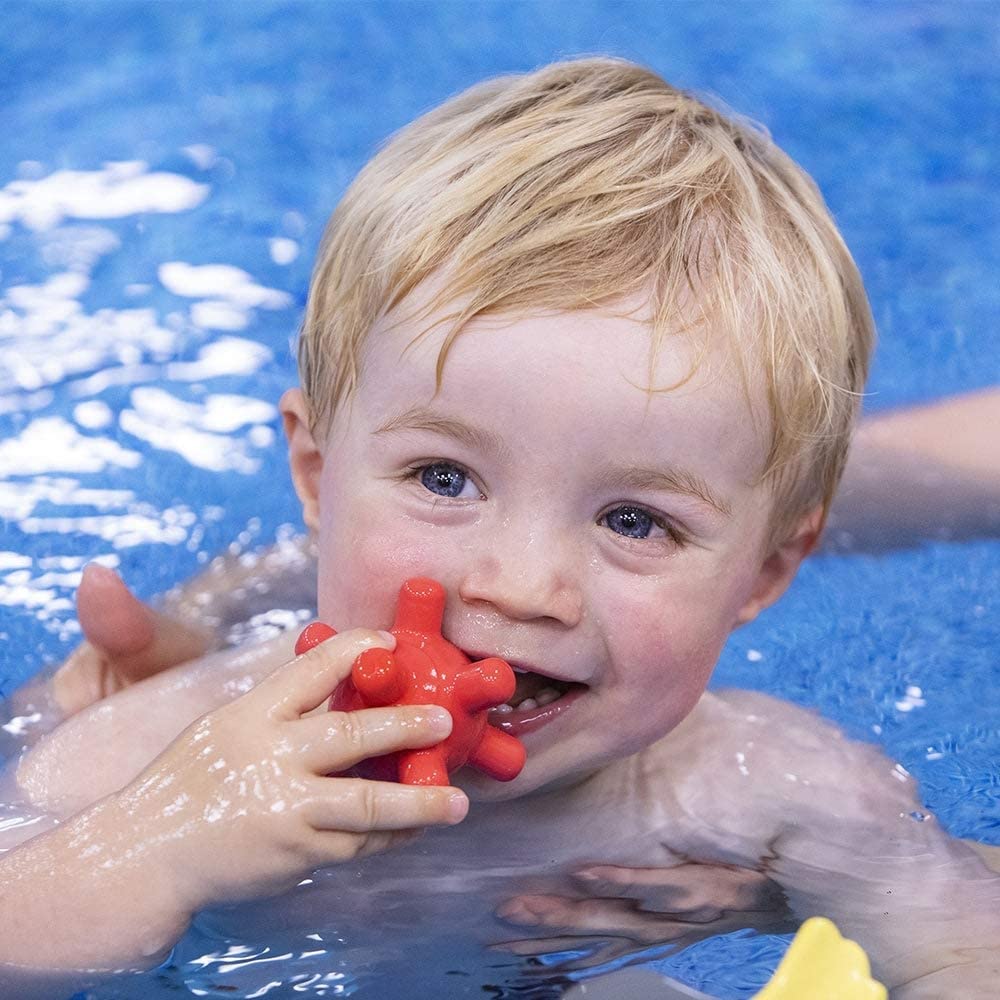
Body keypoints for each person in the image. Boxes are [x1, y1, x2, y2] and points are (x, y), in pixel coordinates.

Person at [1, 58, 997, 999]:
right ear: (315, 474)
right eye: (445, 476)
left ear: (762, 574)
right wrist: (155, 845)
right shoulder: (181, 750)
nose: (520, 585)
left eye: (634, 520)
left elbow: (963, 943)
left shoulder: (761, 791)